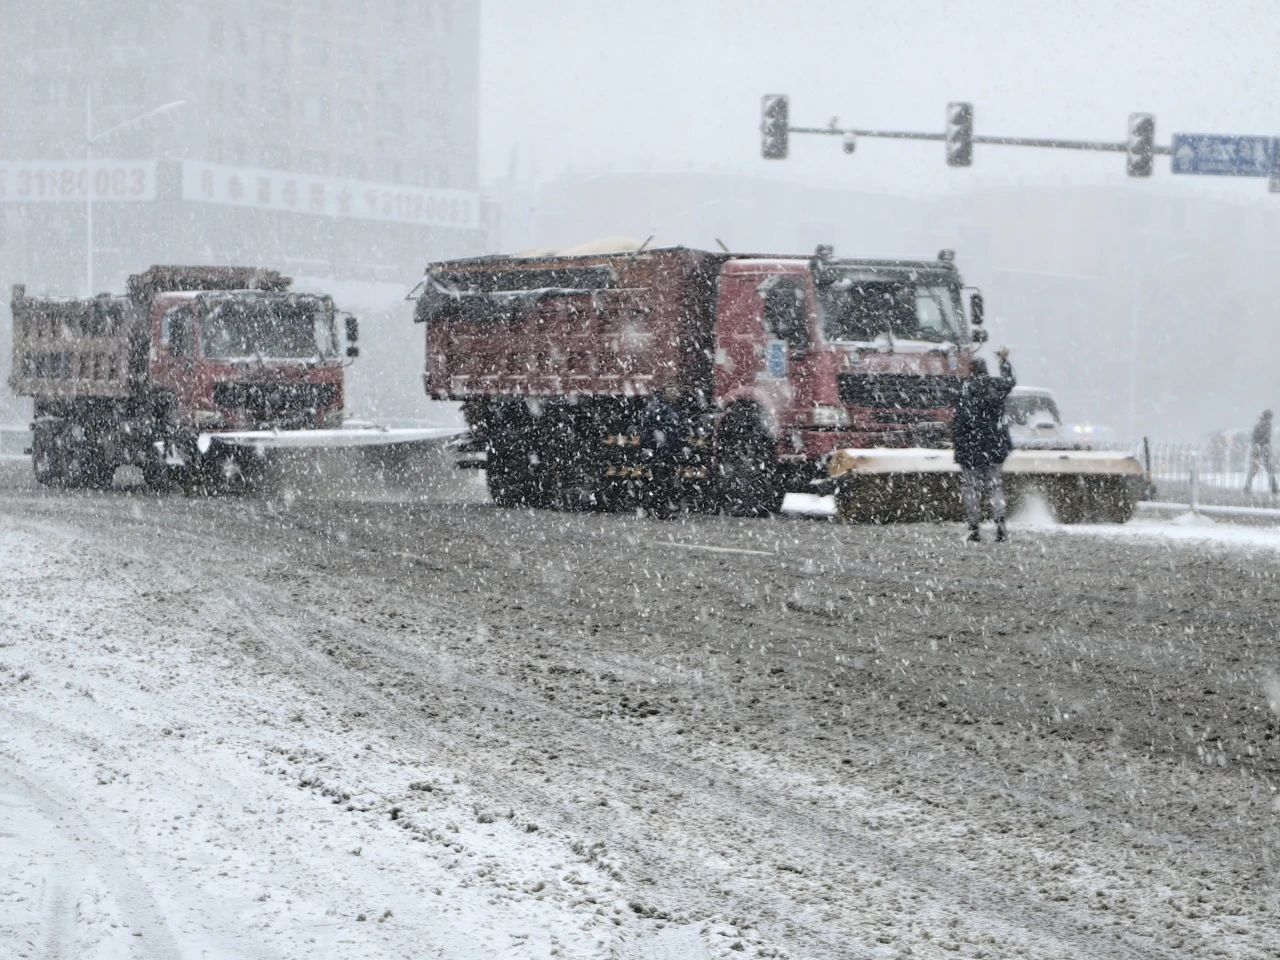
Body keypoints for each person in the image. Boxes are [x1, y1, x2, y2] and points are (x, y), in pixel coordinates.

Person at [953, 347, 1016, 542]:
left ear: (971, 370)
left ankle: (974, 527)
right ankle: (1000, 525)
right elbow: (1010, 382)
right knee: (995, 486)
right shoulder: (996, 386)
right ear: (986, 369)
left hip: (971, 446)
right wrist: (1003, 361)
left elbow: (960, 421)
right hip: (994, 444)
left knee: (971, 487)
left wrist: (959, 445)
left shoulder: (964, 389)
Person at [638, 385, 690, 518]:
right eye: (672, 391)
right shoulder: (658, 408)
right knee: (660, 479)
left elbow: (679, 429)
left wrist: (682, 445)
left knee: (666, 479)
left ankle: (659, 507)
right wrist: (650, 445)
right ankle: (659, 507)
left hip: (668, 451)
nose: (675, 394)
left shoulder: (670, 409)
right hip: (660, 451)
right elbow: (648, 429)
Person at [1244, 409, 1277, 495]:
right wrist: (1262, 445)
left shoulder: (1262, 425)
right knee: (1268, 469)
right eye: (1270, 417)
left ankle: (1247, 487)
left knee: (1254, 469)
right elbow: (1264, 438)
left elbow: (1255, 439)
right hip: (1262, 449)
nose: (1270, 419)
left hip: (1259, 449)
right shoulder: (1265, 425)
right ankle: (1274, 487)